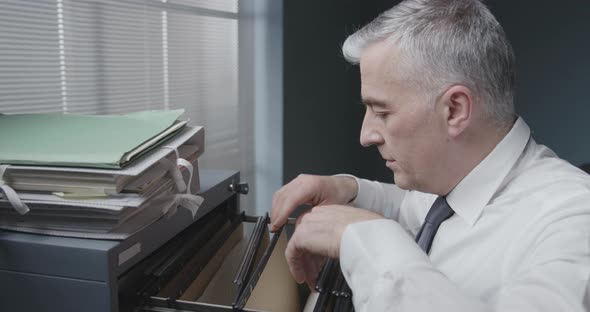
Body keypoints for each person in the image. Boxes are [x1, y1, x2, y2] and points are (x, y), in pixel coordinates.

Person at [270, 0, 590, 311]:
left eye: (382, 111)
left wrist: (365, 239)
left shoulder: (573, 221)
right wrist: (351, 191)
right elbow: (417, 211)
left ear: (454, 110)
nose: (365, 136)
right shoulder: (451, 175)